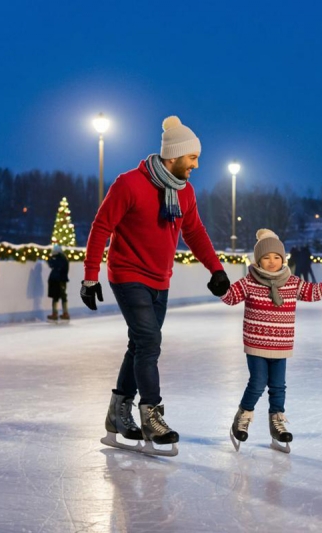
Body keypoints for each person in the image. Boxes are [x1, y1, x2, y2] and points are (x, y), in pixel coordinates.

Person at [81, 115, 231, 456]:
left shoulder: (184, 192)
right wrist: (90, 277)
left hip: (160, 278)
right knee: (149, 340)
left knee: (140, 345)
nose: (196, 164)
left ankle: (117, 415)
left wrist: (216, 269)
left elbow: (194, 232)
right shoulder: (129, 184)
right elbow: (101, 227)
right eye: (192, 158)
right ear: (172, 156)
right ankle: (152, 415)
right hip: (127, 274)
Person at [220, 229, 322, 453]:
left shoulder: (291, 282)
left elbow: (312, 292)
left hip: (280, 344)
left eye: (276, 257)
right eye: (266, 257)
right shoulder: (250, 281)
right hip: (256, 342)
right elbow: (231, 297)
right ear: (258, 260)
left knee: (278, 386)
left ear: (283, 259)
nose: (272, 262)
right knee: (257, 382)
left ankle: (276, 421)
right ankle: (242, 416)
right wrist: (221, 288)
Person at [47, 244, 70, 321]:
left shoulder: (59, 258)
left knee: (57, 297)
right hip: (60, 280)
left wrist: (50, 259)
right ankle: (63, 313)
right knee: (60, 296)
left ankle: (56, 313)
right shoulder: (63, 258)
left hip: (58, 280)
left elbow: (53, 265)